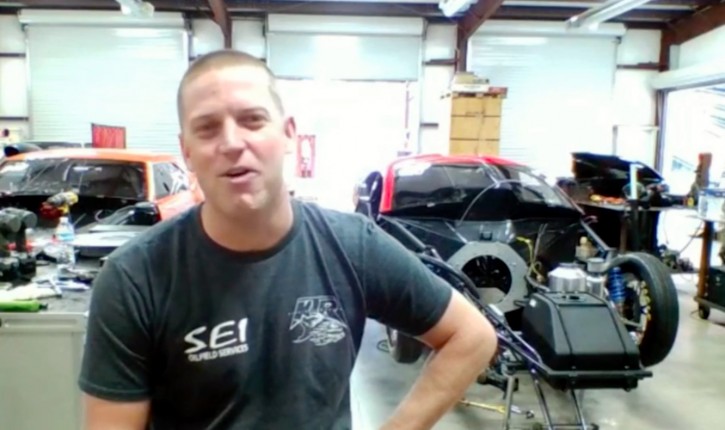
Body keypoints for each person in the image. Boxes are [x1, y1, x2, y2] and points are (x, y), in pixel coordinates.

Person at [79, 49, 498, 430]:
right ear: (186, 150)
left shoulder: (352, 246)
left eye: (252, 120)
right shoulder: (134, 279)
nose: (232, 143)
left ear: (288, 134)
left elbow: (472, 337)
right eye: (207, 128)